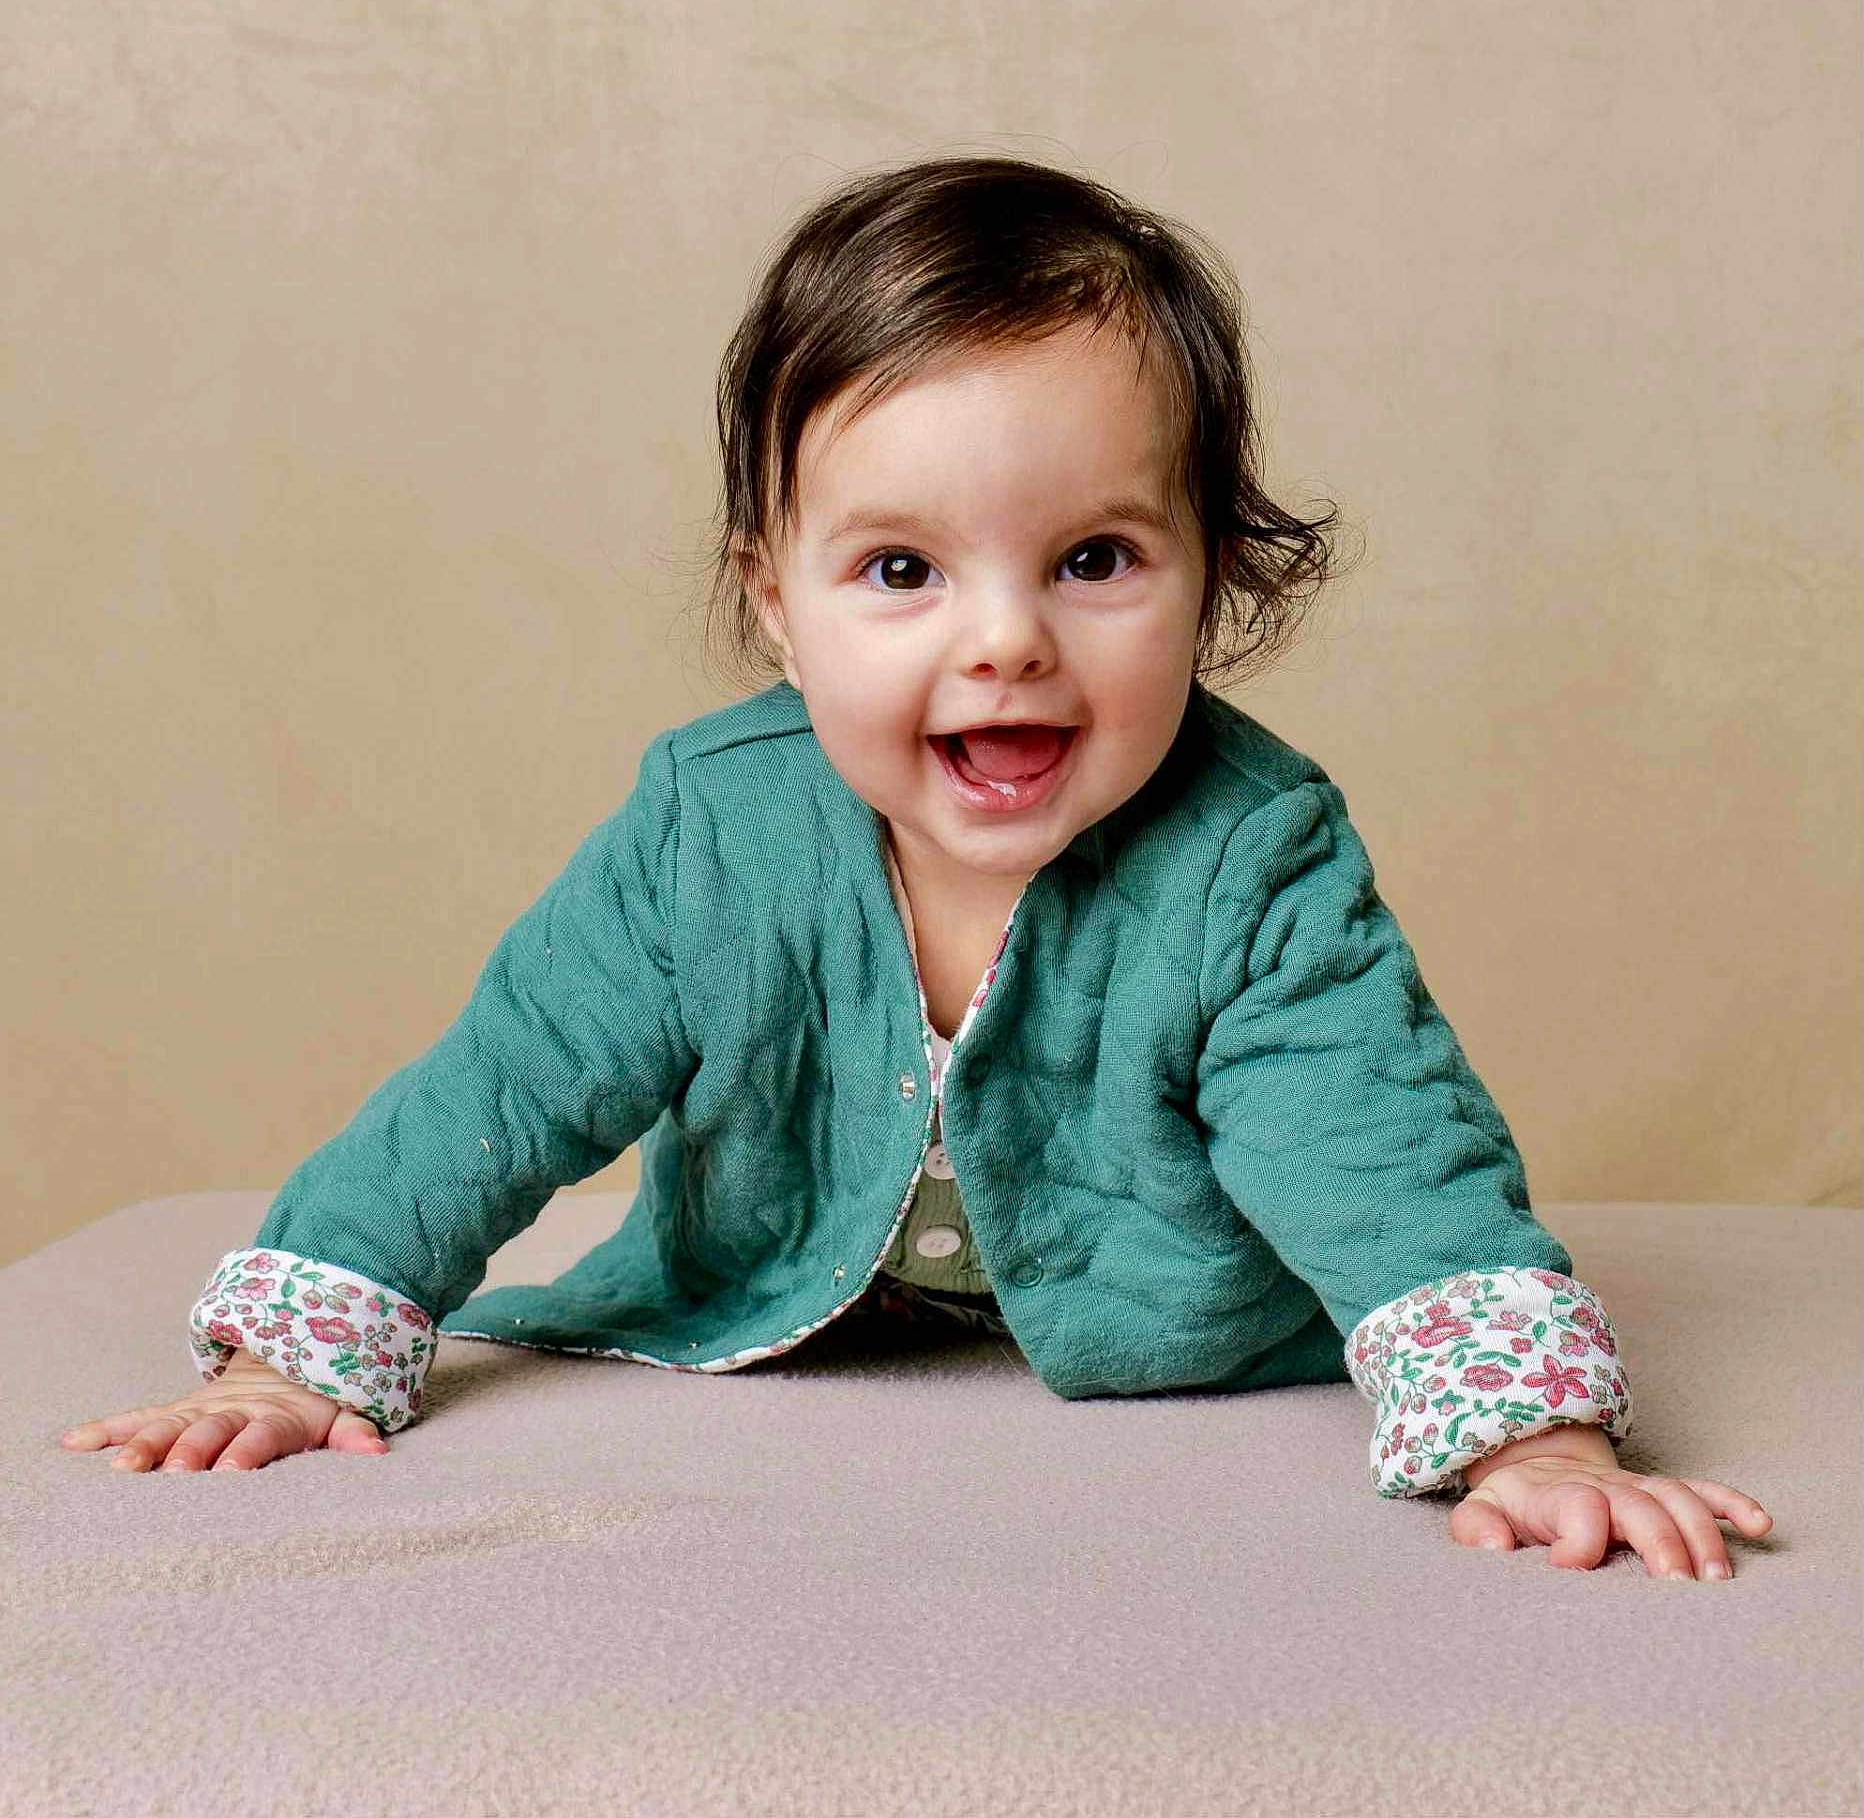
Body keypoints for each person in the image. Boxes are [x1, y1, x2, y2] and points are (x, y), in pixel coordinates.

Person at [59, 155, 1773, 1582]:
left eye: (1095, 558)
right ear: (774, 602)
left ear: (1218, 578)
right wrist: (295, 1361)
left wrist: (1534, 1438)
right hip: (784, 1303)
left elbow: (1380, 1139)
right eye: (899, 569)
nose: (1004, 643)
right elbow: (498, 1093)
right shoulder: (708, 831)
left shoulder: (1250, 853)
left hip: (1185, 1340)